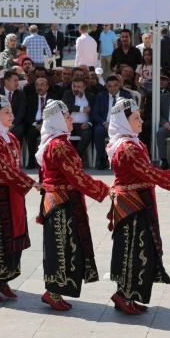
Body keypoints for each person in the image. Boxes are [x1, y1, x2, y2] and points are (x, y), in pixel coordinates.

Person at [106, 98, 170, 314]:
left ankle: (130, 295)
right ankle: (123, 294)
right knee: (132, 251)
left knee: (138, 250)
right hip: (131, 205)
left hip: (137, 202)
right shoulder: (127, 148)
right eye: (136, 118)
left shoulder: (130, 142)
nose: (141, 121)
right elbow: (151, 173)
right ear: (124, 122)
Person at [35, 101, 110, 310]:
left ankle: (56, 292)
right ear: (59, 120)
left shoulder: (53, 142)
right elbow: (77, 177)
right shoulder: (59, 145)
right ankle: (53, 292)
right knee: (61, 247)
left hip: (58, 200)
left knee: (62, 246)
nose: (71, 120)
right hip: (62, 203)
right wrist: (104, 190)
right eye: (68, 117)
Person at [0, 95, 39, 302]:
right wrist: (31, 183)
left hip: (10, 195)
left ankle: (2, 280)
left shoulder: (10, 138)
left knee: (8, 239)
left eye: (11, 111)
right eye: (6, 113)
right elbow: (4, 169)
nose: (11, 115)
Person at [93, 76, 133, 169]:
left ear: (119, 85)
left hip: (121, 125)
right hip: (105, 124)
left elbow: (131, 113)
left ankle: (122, 160)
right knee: (98, 131)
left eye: (115, 85)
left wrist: (121, 123)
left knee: (126, 133)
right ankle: (102, 159)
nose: (113, 88)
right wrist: (104, 123)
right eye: (110, 86)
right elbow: (94, 114)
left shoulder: (126, 96)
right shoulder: (101, 96)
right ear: (106, 86)